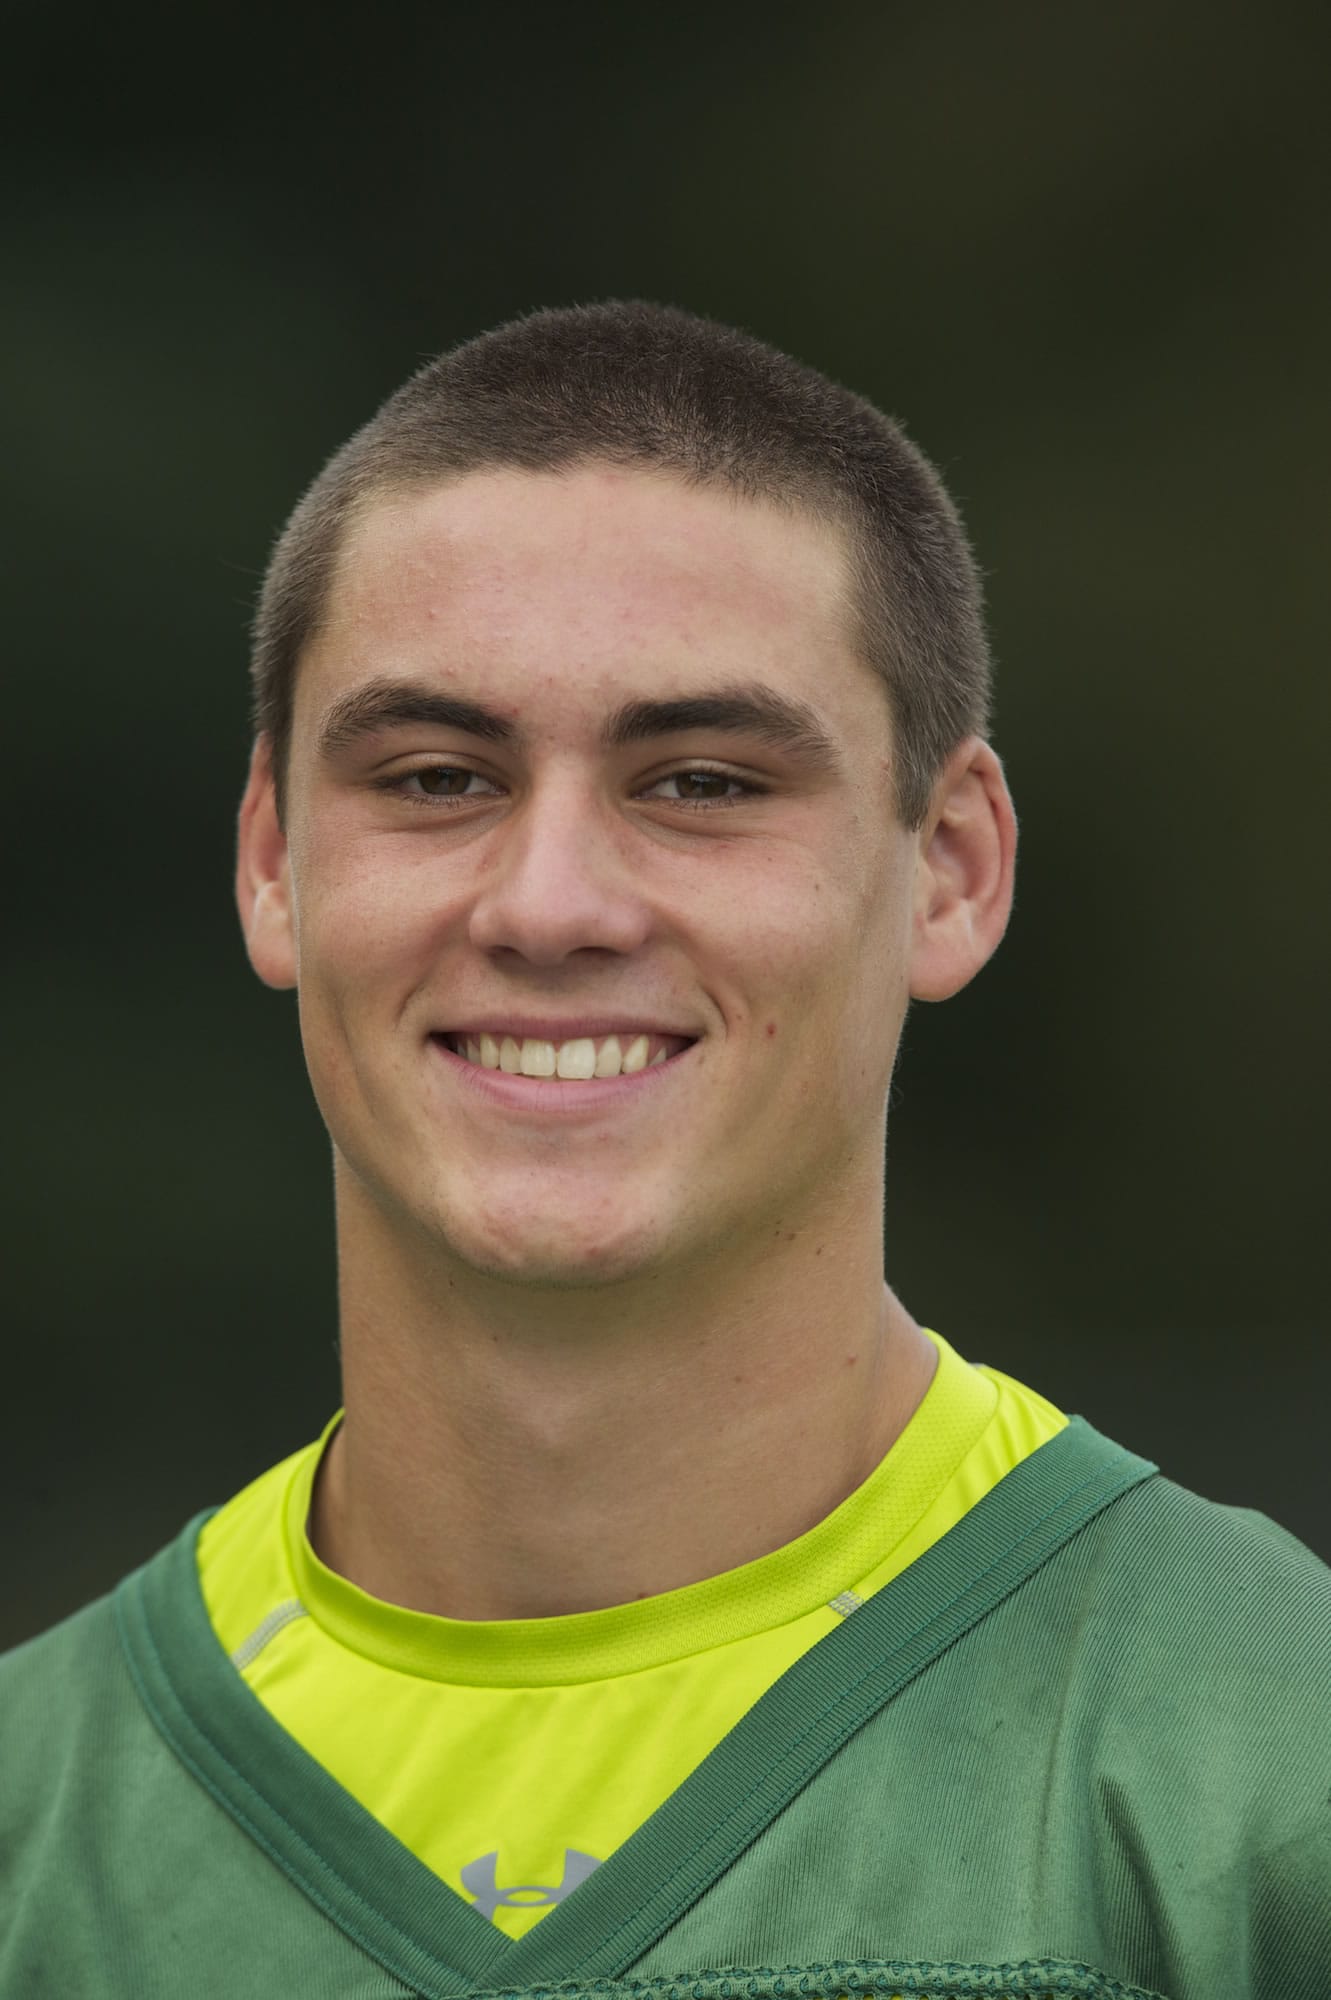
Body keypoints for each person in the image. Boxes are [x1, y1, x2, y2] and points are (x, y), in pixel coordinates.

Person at [2, 301, 1326, 2000]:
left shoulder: (1268, 1777)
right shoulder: (38, 1839)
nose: (551, 904)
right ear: (274, 863)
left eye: (701, 781)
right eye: (433, 776)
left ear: (953, 871)